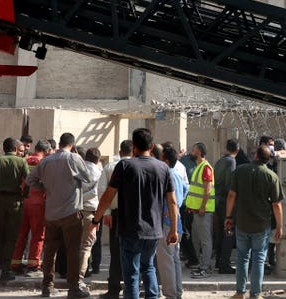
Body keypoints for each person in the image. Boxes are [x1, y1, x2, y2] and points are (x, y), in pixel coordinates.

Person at [92, 127, 179, 299]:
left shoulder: (124, 165)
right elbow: (172, 201)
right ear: (152, 146)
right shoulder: (163, 168)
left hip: (129, 229)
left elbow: (107, 197)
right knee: (148, 268)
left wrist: (95, 221)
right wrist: (174, 230)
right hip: (153, 230)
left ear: (134, 147)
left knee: (131, 274)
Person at [29, 133, 97, 298]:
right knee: (73, 251)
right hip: (71, 213)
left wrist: (45, 188)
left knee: (50, 251)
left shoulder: (46, 161)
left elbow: (31, 180)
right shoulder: (74, 158)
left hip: (51, 213)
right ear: (73, 145)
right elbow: (88, 178)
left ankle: (47, 286)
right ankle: (73, 288)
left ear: (59, 144)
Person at [226, 145, 284, 299]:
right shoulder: (271, 176)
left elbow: (231, 195)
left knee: (242, 257)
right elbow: (276, 205)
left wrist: (228, 217)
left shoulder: (240, 171)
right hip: (261, 224)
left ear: (256, 156)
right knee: (258, 259)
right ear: (268, 159)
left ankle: (239, 293)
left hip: (242, 222)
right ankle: (255, 295)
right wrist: (279, 226)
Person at [0, 137, 29, 283]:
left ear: (4, 149)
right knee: (11, 238)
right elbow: (27, 182)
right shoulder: (22, 162)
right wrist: (24, 195)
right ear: (16, 149)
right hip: (15, 203)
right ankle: (5, 272)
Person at [99, 140, 133, 299]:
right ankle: (131, 288)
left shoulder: (110, 167)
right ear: (133, 152)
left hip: (116, 215)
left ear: (120, 152)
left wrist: (105, 212)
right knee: (134, 251)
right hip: (135, 215)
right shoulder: (139, 166)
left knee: (115, 251)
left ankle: (113, 289)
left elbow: (102, 191)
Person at [156, 145, 189, 299]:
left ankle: (170, 294)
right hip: (177, 220)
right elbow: (185, 191)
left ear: (165, 160)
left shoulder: (166, 175)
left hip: (168, 221)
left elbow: (171, 201)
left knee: (166, 261)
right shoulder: (176, 174)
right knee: (174, 259)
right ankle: (177, 292)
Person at [14, 140, 51, 274]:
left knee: (21, 234)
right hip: (38, 203)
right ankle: (33, 265)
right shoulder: (45, 163)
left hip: (23, 202)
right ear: (47, 151)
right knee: (38, 235)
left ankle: (15, 263)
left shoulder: (24, 160)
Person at [186, 143, 216, 278]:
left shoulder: (205, 168)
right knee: (197, 239)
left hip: (203, 211)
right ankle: (203, 265)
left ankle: (206, 268)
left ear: (199, 152)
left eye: (193, 149)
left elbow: (207, 189)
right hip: (197, 211)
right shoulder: (200, 167)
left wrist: (203, 206)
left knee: (205, 240)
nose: (191, 151)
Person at [214, 139, 239, 274]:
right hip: (225, 202)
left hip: (217, 201)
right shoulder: (231, 161)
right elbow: (231, 185)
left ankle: (219, 260)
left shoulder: (219, 161)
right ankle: (225, 264)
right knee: (228, 232)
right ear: (237, 150)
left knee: (220, 233)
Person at [81, 148, 104, 280]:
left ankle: (86, 267)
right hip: (94, 209)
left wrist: (80, 198)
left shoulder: (80, 170)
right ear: (98, 160)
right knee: (94, 239)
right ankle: (94, 266)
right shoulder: (99, 172)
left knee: (82, 241)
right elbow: (96, 192)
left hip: (79, 208)